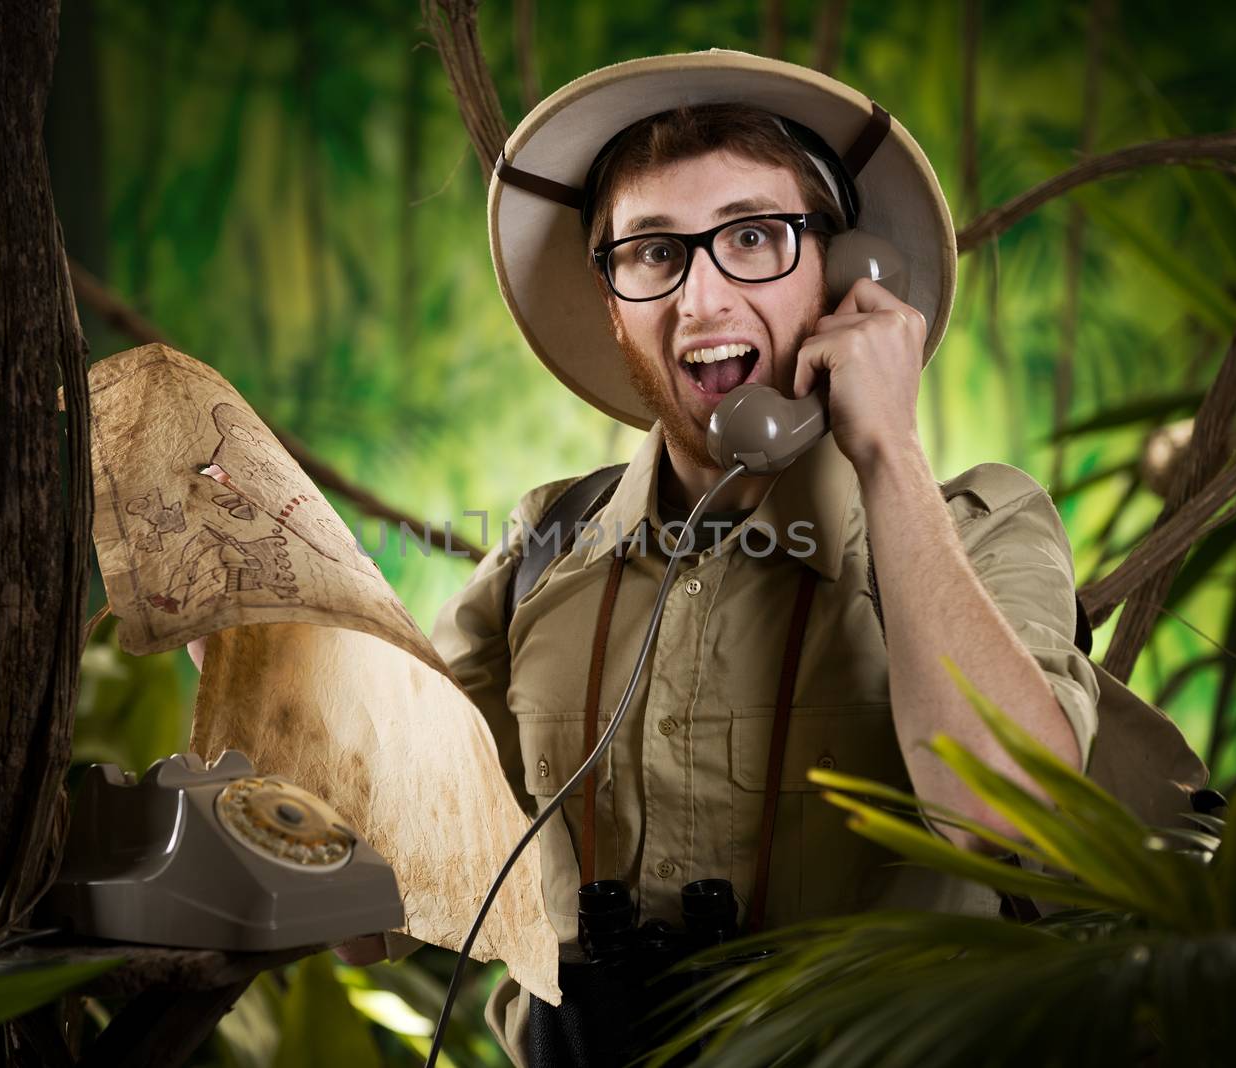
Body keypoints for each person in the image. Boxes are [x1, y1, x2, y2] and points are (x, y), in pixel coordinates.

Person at [342, 50, 1100, 1065]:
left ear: (845, 276)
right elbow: (370, 902)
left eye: (752, 237)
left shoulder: (980, 529)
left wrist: (888, 451)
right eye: (653, 252)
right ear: (611, 303)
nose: (700, 301)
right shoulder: (540, 551)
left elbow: (1017, 830)